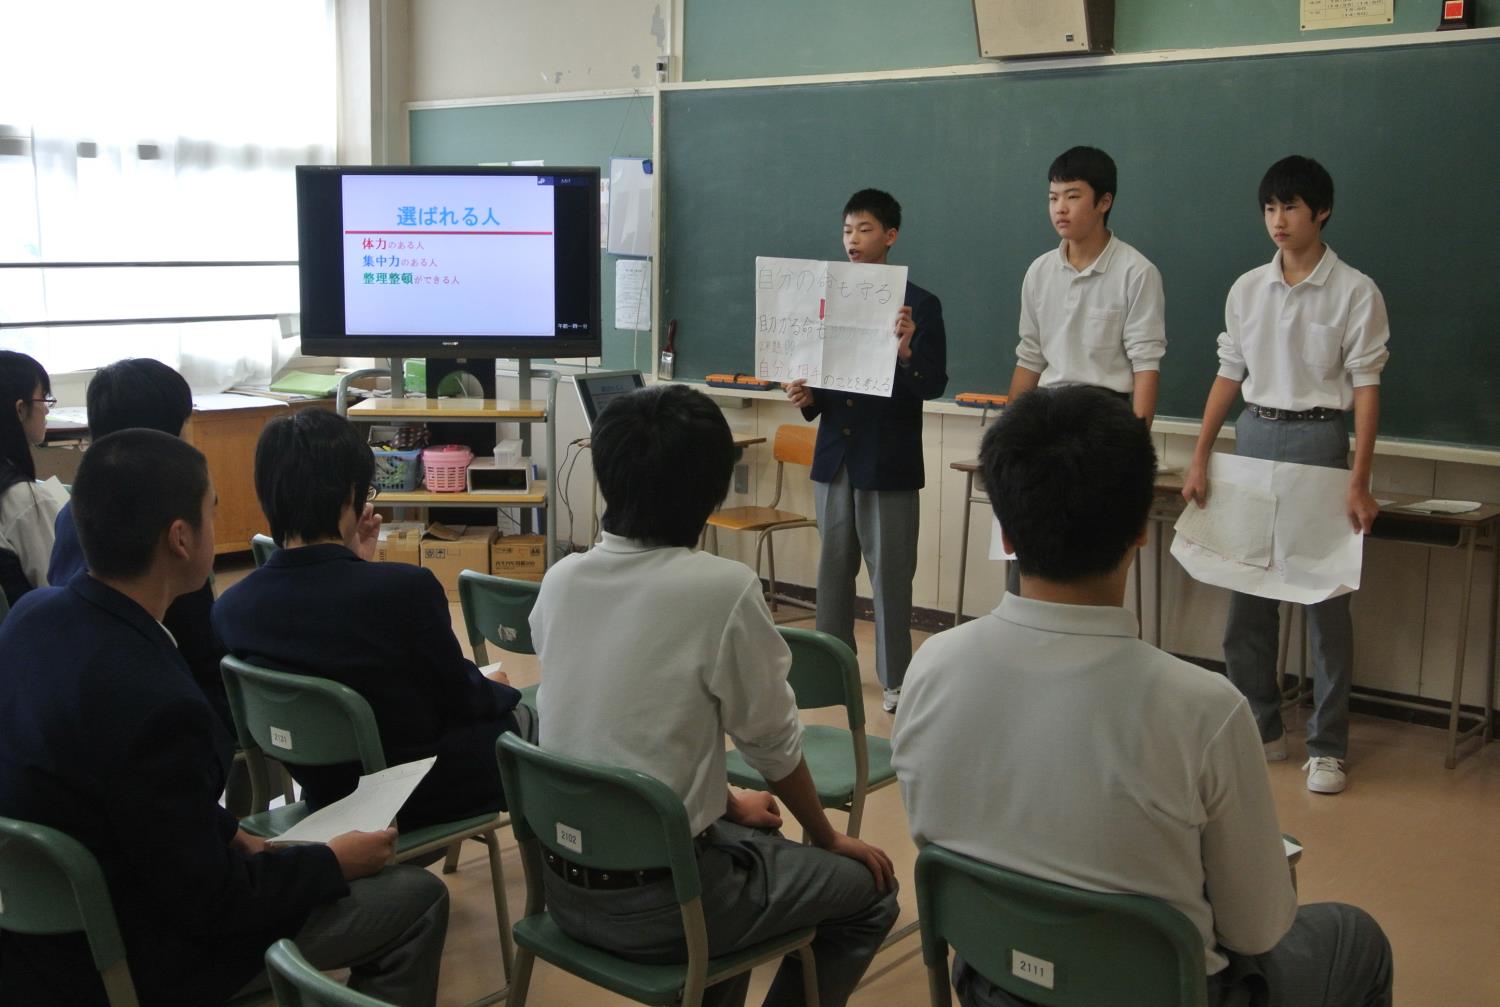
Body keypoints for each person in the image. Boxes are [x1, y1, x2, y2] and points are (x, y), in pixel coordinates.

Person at [892, 386, 1393, 1007]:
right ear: (1140, 532)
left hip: (992, 981)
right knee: (1356, 937)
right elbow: (1258, 928)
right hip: (1162, 993)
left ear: (1006, 529)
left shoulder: (931, 667)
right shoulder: (1204, 708)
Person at [0, 429, 449, 1006]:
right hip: (125, 958)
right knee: (417, 899)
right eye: (212, 511)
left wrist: (233, 835)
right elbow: (211, 902)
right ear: (181, 538)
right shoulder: (157, 700)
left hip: (30, 943)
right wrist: (331, 862)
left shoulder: (32, 619)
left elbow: (122, 801)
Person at [531, 384, 899, 1007]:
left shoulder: (560, 580)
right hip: (667, 902)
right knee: (871, 893)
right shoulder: (721, 589)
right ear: (714, 488)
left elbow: (624, 725)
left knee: (753, 848)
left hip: (561, 890)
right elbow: (773, 745)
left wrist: (725, 802)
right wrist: (828, 835)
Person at [214, 408, 533, 830]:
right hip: (411, 791)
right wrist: (493, 689)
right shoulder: (406, 589)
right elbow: (459, 697)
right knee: (531, 718)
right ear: (350, 495)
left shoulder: (232, 608)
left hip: (325, 793)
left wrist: (355, 562)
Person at [1182, 155, 1390, 795]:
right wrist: (1199, 454)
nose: (1278, 220)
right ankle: (1261, 726)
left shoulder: (1356, 290)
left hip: (1319, 440)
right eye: (1270, 208)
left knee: (1325, 600)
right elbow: (1229, 373)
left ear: (1320, 211)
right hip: (1255, 435)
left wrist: (1359, 479)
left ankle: (1328, 747)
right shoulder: (1247, 288)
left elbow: (1365, 390)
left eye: (1291, 208)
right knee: (1247, 598)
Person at [784, 188, 948, 713]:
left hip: (889, 460)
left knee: (891, 574)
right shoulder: (824, 299)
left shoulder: (919, 304)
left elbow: (933, 383)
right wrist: (808, 397)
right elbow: (825, 382)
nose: (854, 240)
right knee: (831, 572)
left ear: (890, 236)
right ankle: (832, 671)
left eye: (866, 230)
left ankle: (896, 679)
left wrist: (906, 352)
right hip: (835, 457)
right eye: (848, 230)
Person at [48, 359, 230, 731]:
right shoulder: (169, 556)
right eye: (183, 426)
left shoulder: (74, 511)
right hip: (176, 719)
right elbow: (206, 665)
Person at [1007, 146, 1166, 424]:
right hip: (1047, 412)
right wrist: (1007, 437)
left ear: (1104, 202)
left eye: (1073, 196)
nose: (1060, 208)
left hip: (1105, 418)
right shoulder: (1040, 271)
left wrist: (1137, 445)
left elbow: (1146, 365)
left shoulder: (1137, 272)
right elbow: (1030, 357)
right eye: (1053, 198)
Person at [0, 350, 62, 604]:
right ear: (20, 409)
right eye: (43, 399)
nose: (47, 411)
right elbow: (58, 588)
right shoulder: (26, 500)